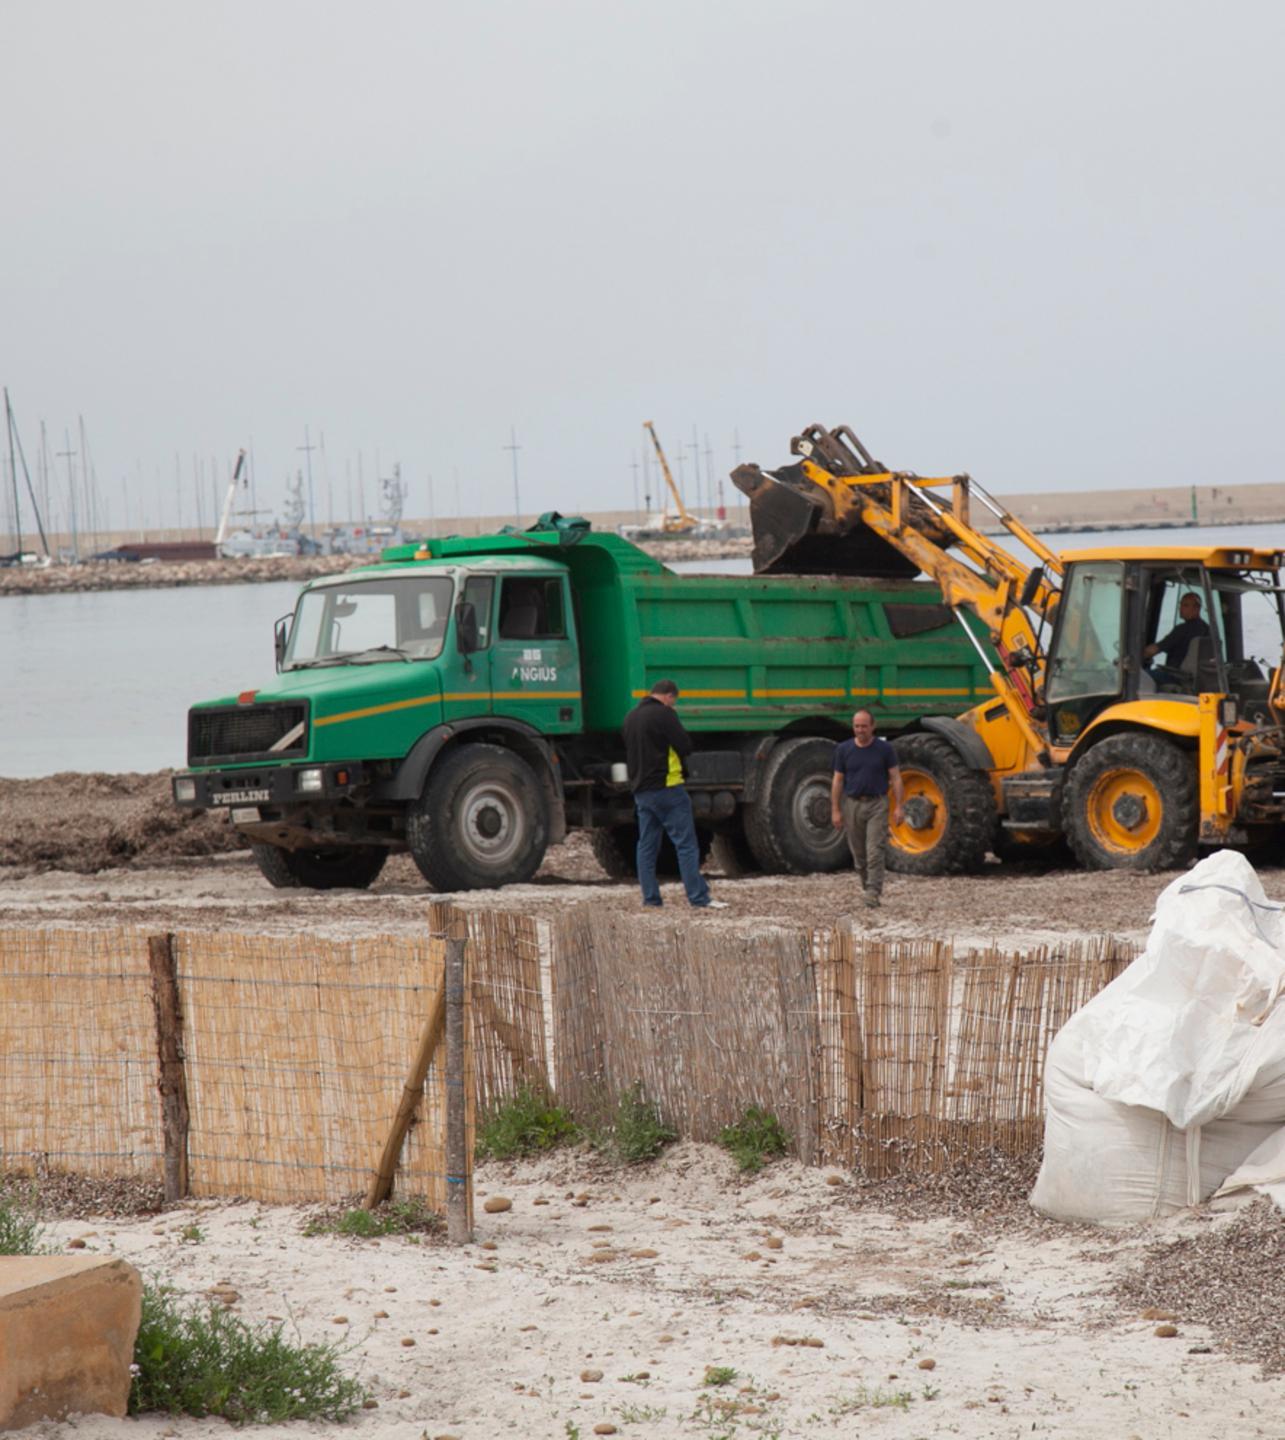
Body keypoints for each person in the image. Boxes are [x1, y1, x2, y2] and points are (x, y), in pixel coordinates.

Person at [622, 679, 727, 910]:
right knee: (686, 844)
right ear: (669, 696)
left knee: (647, 846)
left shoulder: (631, 717)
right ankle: (698, 898)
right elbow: (684, 745)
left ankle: (651, 899)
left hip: (642, 791)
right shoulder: (665, 715)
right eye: (673, 701)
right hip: (668, 788)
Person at [829, 708, 905, 909]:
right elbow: (837, 781)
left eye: (864, 726)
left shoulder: (885, 749)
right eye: (856, 726)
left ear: (873, 726)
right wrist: (835, 810)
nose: (860, 730)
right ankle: (867, 885)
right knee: (859, 855)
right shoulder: (843, 750)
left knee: (875, 851)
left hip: (877, 804)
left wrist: (899, 806)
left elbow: (896, 777)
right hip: (852, 804)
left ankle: (873, 892)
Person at [1143, 593, 1210, 681]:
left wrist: (1139, 654)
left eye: (1185, 605)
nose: (1180, 608)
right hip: (1194, 679)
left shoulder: (1182, 629)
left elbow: (1154, 650)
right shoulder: (1207, 629)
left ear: (1197, 609)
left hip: (1175, 676)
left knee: (1139, 676)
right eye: (1181, 605)